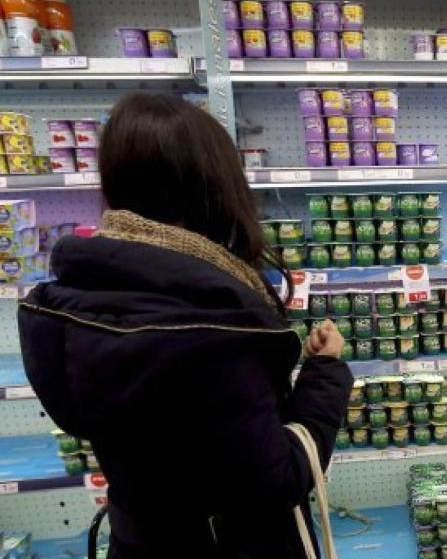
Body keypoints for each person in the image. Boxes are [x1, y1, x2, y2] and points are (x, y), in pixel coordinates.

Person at [17, 93, 353, 558]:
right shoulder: (211, 331)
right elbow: (275, 482)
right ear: (214, 190)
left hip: (141, 537)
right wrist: (326, 373)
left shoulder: (66, 309)